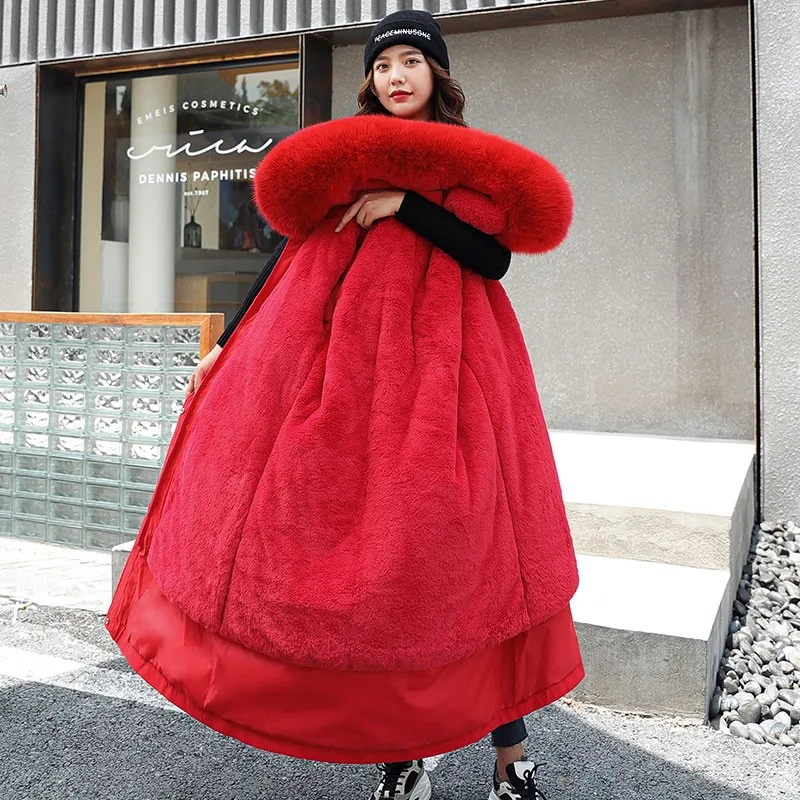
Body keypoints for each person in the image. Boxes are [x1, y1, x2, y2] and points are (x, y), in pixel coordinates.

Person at [107, 10, 582, 800]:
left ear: (437, 74)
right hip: (346, 384)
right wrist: (227, 343)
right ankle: (404, 752)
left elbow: (492, 258)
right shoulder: (348, 159)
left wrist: (406, 205)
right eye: (384, 65)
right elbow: (291, 254)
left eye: (411, 62)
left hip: (448, 382)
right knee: (378, 574)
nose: (397, 76)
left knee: (466, 558)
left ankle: (510, 757)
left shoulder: (466, 165)